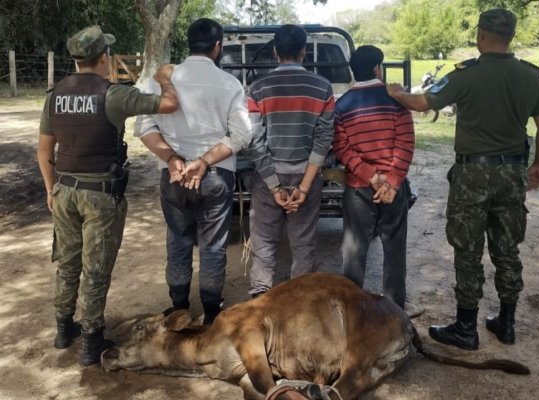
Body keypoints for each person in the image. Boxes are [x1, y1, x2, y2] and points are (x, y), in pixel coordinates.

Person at [387, 8, 539, 350]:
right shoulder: (532, 75)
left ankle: (466, 327)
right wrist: (538, 165)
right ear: (511, 35)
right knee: (507, 248)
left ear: (480, 34)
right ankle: (506, 322)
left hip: (472, 174)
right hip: (512, 172)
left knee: (467, 248)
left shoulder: (465, 74)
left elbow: (422, 103)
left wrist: (397, 94)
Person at [37, 25, 179, 366]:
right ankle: (91, 340)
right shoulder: (113, 95)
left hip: (64, 191)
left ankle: (62, 329)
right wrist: (164, 78)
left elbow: (44, 151)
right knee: (96, 269)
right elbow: (170, 105)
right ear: (104, 57)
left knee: (68, 264)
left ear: (75, 60)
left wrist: (49, 190)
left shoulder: (54, 94)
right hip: (100, 194)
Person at [134, 18, 252, 324]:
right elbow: (241, 136)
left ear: (188, 44)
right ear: (217, 47)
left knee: (178, 239)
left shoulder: (160, 82)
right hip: (215, 176)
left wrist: (173, 159)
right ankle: (212, 313)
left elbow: (144, 127)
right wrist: (205, 161)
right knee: (213, 246)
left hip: (173, 176)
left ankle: (179, 307)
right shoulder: (230, 85)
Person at [246, 24, 335, 297]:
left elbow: (255, 142)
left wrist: (273, 186)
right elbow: (324, 140)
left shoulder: (257, 88)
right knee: (304, 244)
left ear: (275, 52)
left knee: (263, 244)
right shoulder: (323, 88)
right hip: (307, 178)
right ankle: (300, 305)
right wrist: (305, 187)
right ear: (303, 52)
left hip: (266, 179)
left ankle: (260, 304)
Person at [333, 45, 415, 310]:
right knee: (394, 252)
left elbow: (341, 148)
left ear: (352, 71)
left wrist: (370, 177)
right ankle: (395, 316)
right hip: (393, 189)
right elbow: (405, 141)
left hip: (358, 188)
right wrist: (390, 181)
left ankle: (352, 315)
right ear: (377, 68)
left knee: (354, 253)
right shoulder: (397, 100)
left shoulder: (342, 105)